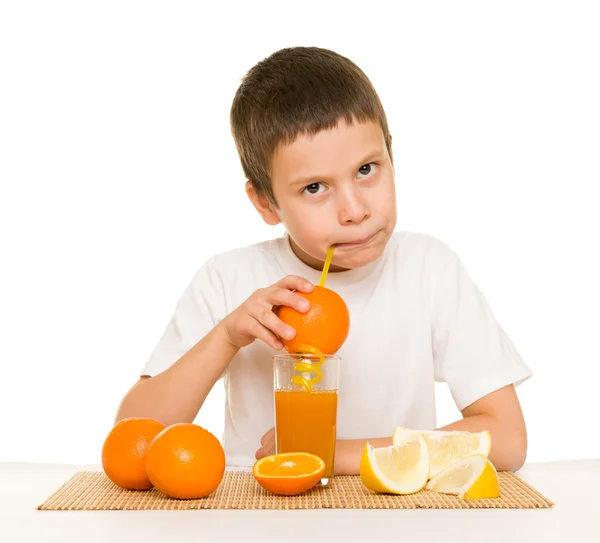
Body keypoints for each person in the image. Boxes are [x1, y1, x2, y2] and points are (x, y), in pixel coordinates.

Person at [115, 46, 532, 475]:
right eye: (315, 188)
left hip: (398, 514)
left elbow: (506, 438)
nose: (354, 210)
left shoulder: (429, 269)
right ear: (265, 203)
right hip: (256, 513)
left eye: (367, 169)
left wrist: (335, 453)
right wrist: (226, 338)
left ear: (391, 155)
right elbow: (134, 434)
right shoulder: (228, 280)